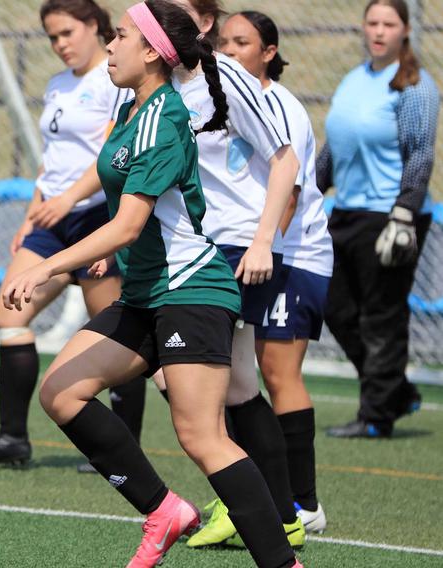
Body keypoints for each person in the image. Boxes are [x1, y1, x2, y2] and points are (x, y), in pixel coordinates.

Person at [3, 2, 301, 566]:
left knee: (202, 437)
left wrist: (47, 265)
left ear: (152, 53)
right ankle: (164, 511)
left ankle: (284, 561)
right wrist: (79, 222)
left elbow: (129, 223)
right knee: (61, 394)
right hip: (145, 291)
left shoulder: (166, 118)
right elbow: (120, 198)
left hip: (191, 291)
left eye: (120, 36)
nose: (109, 47)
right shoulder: (134, 108)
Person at [138, 0, 306, 550]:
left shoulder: (225, 76)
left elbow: (286, 159)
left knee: (207, 383)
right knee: (233, 385)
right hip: (185, 247)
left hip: (232, 247)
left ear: (201, 24)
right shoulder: (155, 86)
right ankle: (274, 512)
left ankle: (268, 512)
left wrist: (263, 242)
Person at [0, 0, 145, 470]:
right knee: (8, 314)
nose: (60, 44)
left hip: (99, 217)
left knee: (117, 334)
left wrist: (69, 199)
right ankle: (13, 439)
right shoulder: (57, 85)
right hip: (51, 221)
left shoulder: (114, 80)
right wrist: (32, 212)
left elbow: (112, 154)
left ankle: (121, 444)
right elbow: (53, 157)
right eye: (52, 37)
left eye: (67, 33)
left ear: (95, 27)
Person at [217, 8, 335, 535]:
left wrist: (263, 246)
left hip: (295, 254)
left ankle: (304, 504)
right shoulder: (229, 100)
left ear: (268, 53)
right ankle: (266, 494)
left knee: (277, 373)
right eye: (223, 41)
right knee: (242, 374)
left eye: (241, 42)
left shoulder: (276, 103)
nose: (228, 50)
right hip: (263, 253)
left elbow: (286, 189)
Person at [318, 0, 438, 440]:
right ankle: (396, 392)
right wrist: (308, 192)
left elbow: (420, 154)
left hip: (390, 216)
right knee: (332, 307)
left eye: (389, 23)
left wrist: (405, 212)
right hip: (347, 212)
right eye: (373, 22)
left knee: (381, 317)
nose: (380, 31)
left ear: (405, 30)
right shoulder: (354, 79)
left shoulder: (415, 85)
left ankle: (376, 416)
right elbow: (334, 147)